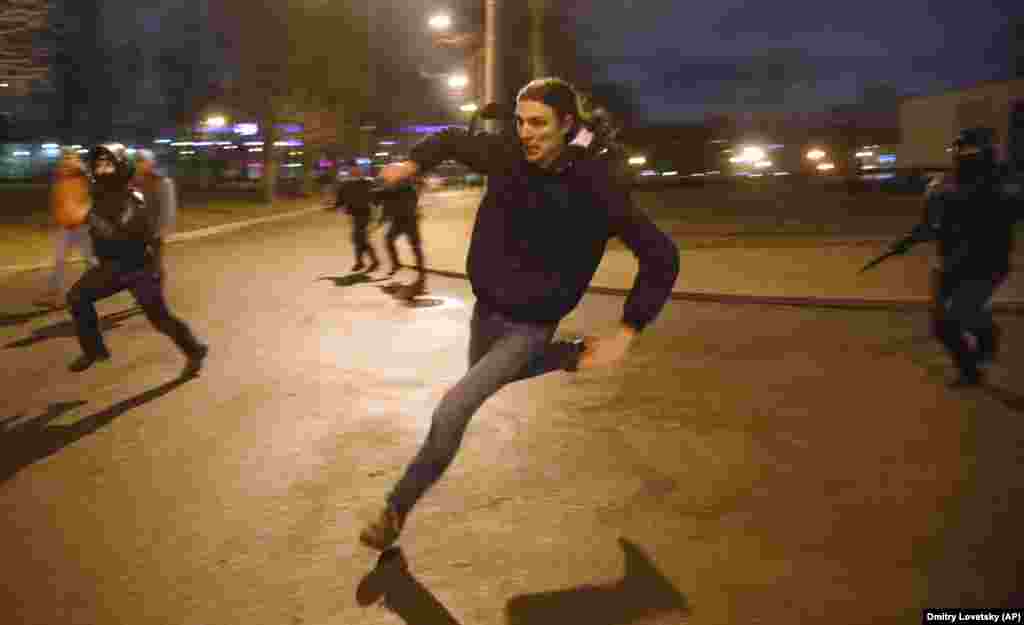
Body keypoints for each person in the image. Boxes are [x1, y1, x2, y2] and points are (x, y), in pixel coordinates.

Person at [359, 77, 680, 550]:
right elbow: (450, 139)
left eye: (538, 123)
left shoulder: (597, 186)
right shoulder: (507, 154)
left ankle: (394, 511)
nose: (526, 133)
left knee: (453, 410)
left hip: (530, 324)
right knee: (489, 377)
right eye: (520, 122)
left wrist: (629, 330)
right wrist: (413, 161)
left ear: (566, 124)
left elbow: (662, 256)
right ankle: (568, 356)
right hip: (486, 311)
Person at [65, 143, 208, 377]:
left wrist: (89, 218)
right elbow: (92, 223)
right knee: (77, 297)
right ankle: (94, 351)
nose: (102, 169)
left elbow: (117, 231)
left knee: (159, 319)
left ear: (120, 166)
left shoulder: (132, 197)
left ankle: (194, 349)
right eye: (98, 164)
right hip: (111, 266)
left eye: (108, 163)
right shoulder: (99, 194)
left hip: (138, 268)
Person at [898, 127, 1017, 386]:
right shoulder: (940, 186)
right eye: (962, 150)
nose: (967, 156)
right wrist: (908, 241)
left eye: (974, 151)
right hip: (949, 264)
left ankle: (979, 352)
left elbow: (1009, 213)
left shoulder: (1004, 186)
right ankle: (973, 362)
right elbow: (928, 224)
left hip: (987, 265)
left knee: (959, 315)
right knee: (941, 325)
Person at [37, 149, 97, 308]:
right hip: (65, 225)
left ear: (76, 159)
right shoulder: (60, 178)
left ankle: (97, 289)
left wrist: (82, 215)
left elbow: (90, 198)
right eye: (64, 158)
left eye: (70, 157)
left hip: (81, 225)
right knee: (60, 262)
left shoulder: (82, 176)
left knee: (89, 261)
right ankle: (56, 295)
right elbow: (57, 200)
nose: (66, 161)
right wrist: (56, 217)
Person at [374, 178, 427, 296]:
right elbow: (386, 206)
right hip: (399, 221)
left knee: (415, 246)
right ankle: (396, 264)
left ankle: (421, 269)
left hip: (409, 221)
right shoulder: (392, 190)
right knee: (389, 241)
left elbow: (410, 201)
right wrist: (382, 219)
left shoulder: (407, 189)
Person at [335, 163, 381, 273]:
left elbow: (376, 196)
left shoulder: (367, 183)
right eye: (352, 170)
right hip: (354, 214)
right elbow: (341, 198)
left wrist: (377, 205)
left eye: (357, 170)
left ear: (360, 171)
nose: (354, 172)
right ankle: (366, 261)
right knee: (359, 239)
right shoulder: (346, 185)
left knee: (360, 238)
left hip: (365, 213)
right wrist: (336, 205)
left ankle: (366, 262)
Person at [133, 149, 177, 239]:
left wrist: (161, 230)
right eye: (137, 161)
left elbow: (167, 208)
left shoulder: (162, 182)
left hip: (152, 232)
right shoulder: (131, 181)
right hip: (133, 232)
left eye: (142, 161)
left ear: (151, 162)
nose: (139, 164)